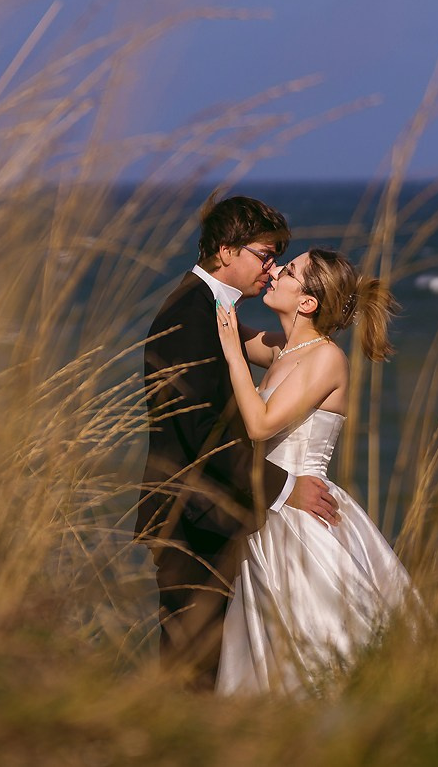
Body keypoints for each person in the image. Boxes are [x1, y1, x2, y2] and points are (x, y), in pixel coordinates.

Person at [137, 196, 341, 689]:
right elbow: (203, 432)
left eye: (279, 261)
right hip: (195, 519)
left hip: (220, 517)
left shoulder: (214, 311)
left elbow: (283, 351)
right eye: (265, 255)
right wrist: (285, 488)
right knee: (194, 674)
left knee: (232, 666)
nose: (270, 269)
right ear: (226, 251)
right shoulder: (191, 315)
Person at [212, 247, 415, 695]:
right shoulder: (286, 349)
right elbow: (224, 318)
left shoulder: (325, 359)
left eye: (287, 270)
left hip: (302, 520)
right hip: (273, 509)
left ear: (306, 302)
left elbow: (261, 423)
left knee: (316, 646)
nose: (276, 272)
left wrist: (232, 357)